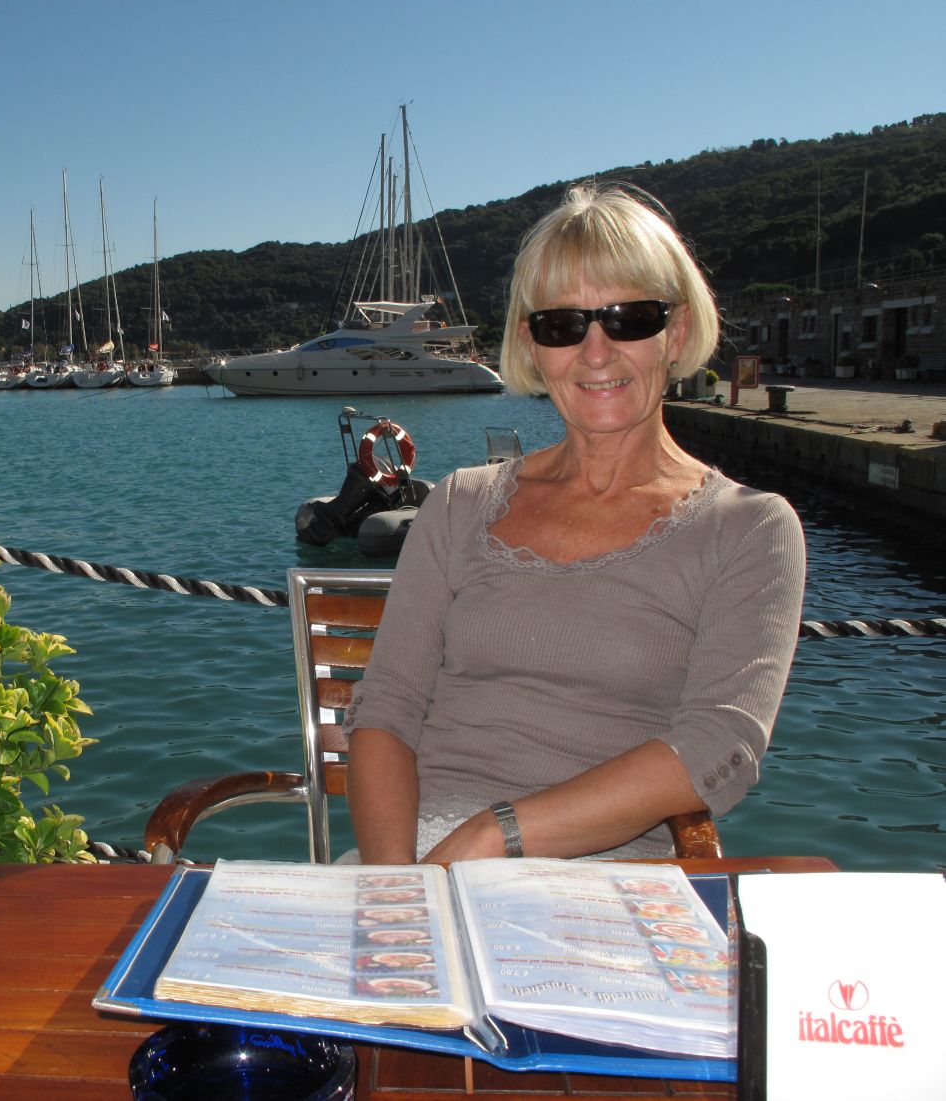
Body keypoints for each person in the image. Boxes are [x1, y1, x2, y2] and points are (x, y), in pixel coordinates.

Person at [344, 182, 806, 865]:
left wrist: (493, 833)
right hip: (413, 860)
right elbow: (386, 708)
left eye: (629, 317)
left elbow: (717, 744)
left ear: (675, 333)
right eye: (562, 324)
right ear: (532, 345)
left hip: (601, 884)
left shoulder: (749, 530)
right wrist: (397, 893)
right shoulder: (458, 504)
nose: (595, 352)